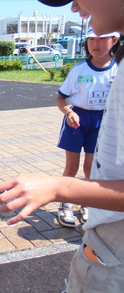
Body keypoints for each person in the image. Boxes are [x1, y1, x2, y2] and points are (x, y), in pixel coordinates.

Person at [0, 0, 124, 292]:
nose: (75, 7)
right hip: (104, 244)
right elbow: (61, 98)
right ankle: (75, 205)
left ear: (113, 40)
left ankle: (79, 202)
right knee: (76, 167)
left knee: (86, 169)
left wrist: (58, 187)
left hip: (115, 255)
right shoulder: (85, 69)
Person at [55, 28, 120, 227]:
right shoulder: (78, 70)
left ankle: (87, 204)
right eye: (91, 39)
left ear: (114, 40)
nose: (95, 43)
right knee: (71, 167)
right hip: (78, 120)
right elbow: (60, 99)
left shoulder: (119, 69)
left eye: (101, 38)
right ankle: (65, 205)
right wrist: (69, 112)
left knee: (91, 168)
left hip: (104, 122)